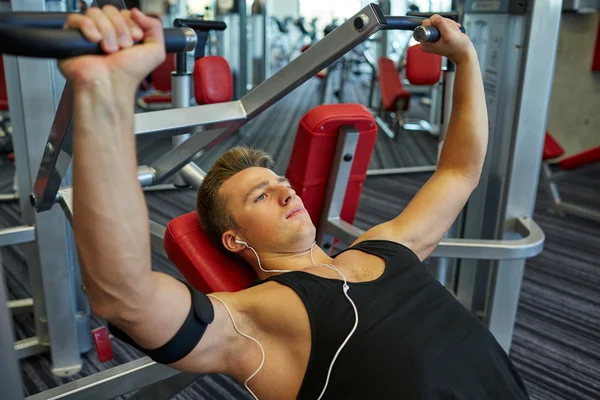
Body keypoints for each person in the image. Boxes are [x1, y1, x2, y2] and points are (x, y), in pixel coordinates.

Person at [61, 6, 530, 400]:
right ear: (234, 238)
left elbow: (458, 172)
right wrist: (105, 96)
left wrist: (466, 58)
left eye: (282, 181)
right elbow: (124, 298)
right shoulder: (253, 322)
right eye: (261, 195)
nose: (288, 192)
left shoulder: (384, 245)